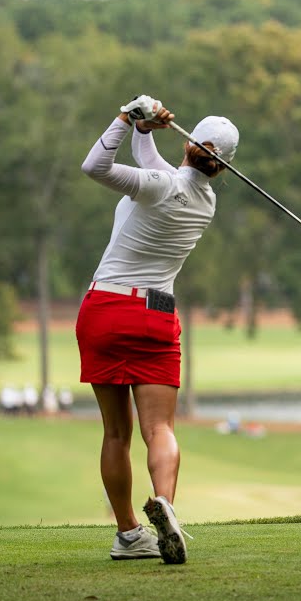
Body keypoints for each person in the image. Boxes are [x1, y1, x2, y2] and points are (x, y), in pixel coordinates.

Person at [75, 93, 240, 564]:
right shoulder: (203, 201)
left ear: (189, 146)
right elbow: (160, 171)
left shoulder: (159, 186)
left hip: (106, 309)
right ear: (221, 166)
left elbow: (95, 167)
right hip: (156, 317)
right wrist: (146, 133)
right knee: (161, 427)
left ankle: (128, 533)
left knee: (115, 435)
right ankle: (164, 502)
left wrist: (125, 118)